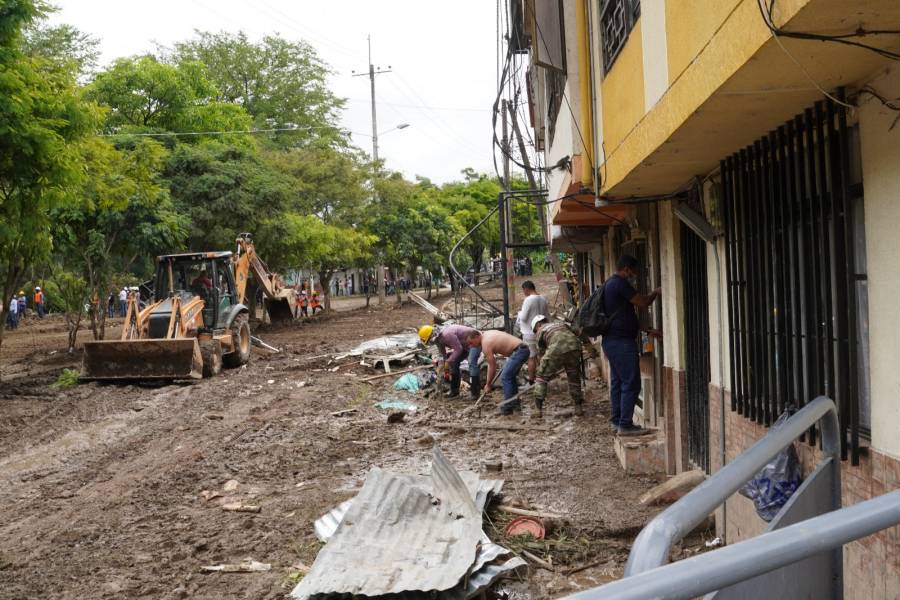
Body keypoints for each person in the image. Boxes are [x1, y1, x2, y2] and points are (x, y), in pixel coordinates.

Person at [602, 254, 661, 436]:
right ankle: (625, 425)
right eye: (634, 270)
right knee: (631, 382)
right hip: (621, 343)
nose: (635, 274)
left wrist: (648, 330)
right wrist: (656, 293)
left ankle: (617, 420)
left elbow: (624, 317)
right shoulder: (620, 283)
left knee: (619, 382)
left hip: (612, 341)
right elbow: (642, 303)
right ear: (626, 268)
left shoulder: (609, 284)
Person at [466, 329, 531, 414]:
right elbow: (492, 364)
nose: (471, 346)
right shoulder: (487, 334)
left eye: (471, 343)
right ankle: (515, 403)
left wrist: (488, 384)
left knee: (505, 377)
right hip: (522, 349)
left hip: (519, 351)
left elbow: (492, 366)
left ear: (477, 337)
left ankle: (507, 407)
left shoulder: (485, 343)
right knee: (510, 377)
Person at [531, 315, 584, 419]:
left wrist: (547, 372)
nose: (535, 332)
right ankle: (578, 407)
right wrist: (591, 350)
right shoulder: (561, 324)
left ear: (538, 324)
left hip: (557, 348)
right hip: (575, 347)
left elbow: (542, 356)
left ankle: (538, 410)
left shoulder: (541, 331)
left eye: (534, 330)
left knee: (541, 377)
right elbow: (579, 332)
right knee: (573, 377)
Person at [419, 324, 479, 399]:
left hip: (475, 341)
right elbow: (442, 354)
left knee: (472, 363)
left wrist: (448, 361)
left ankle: (475, 392)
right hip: (463, 345)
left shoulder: (446, 334)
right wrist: (441, 366)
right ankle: (454, 391)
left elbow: (458, 349)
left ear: (431, 335)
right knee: (453, 363)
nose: (430, 343)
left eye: (429, 340)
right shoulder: (438, 340)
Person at [517, 281, 549, 381]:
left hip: (529, 332)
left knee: (532, 357)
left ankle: (531, 379)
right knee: (542, 356)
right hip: (541, 331)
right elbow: (547, 316)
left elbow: (524, 317)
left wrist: (519, 313)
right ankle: (542, 378)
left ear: (526, 289)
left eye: (523, 291)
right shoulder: (543, 299)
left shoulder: (528, 300)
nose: (524, 293)